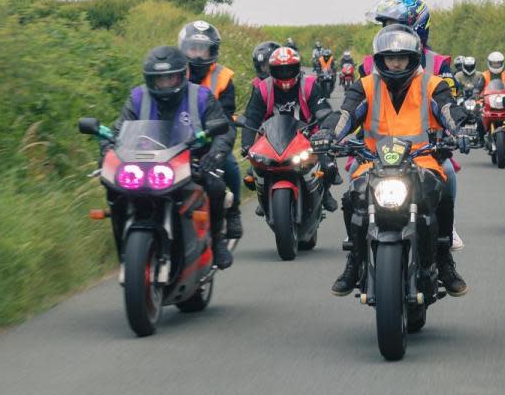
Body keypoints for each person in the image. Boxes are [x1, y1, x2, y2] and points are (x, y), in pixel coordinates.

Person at [314, 24, 469, 296]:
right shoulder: (365, 86)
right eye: (390, 58)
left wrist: (462, 129)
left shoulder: (433, 85)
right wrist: (328, 134)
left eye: (402, 58)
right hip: (374, 161)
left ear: (413, 58)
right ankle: (354, 260)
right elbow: (346, 115)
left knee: (443, 194)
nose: (396, 64)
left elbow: (449, 111)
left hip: (422, 161)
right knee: (352, 198)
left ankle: (443, 260)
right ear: (380, 59)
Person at [109, 46, 235, 269]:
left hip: (192, 161)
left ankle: (217, 242)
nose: (165, 83)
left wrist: (215, 154)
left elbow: (224, 130)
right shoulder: (138, 97)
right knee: (114, 190)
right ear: (150, 80)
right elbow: (118, 130)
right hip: (145, 162)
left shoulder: (201, 96)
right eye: (160, 79)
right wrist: (107, 149)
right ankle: (124, 247)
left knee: (215, 187)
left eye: (171, 77)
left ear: (182, 75)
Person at [240, 46, 339, 211]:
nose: (285, 74)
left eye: (289, 69)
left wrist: (324, 132)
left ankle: (325, 193)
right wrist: (246, 144)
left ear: (297, 68)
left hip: (307, 135)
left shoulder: (309, 84)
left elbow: (323, 112)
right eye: (280, 70)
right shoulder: (263, 89)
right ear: (272, 70)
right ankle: (263, 197)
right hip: (272, 139)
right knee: (253, 171)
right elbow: (252, 118)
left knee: (328, 165)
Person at [178, 20, 244, 243]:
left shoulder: (223, 77)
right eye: (192, 48)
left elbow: (226, 117)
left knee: (231, 166)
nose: (197, 55)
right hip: (176, 142)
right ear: (184, 48)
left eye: (202, 49)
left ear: (212, 51)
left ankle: (233, 212)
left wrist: (216, 150)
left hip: (211, 140)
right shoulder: (174, 72)